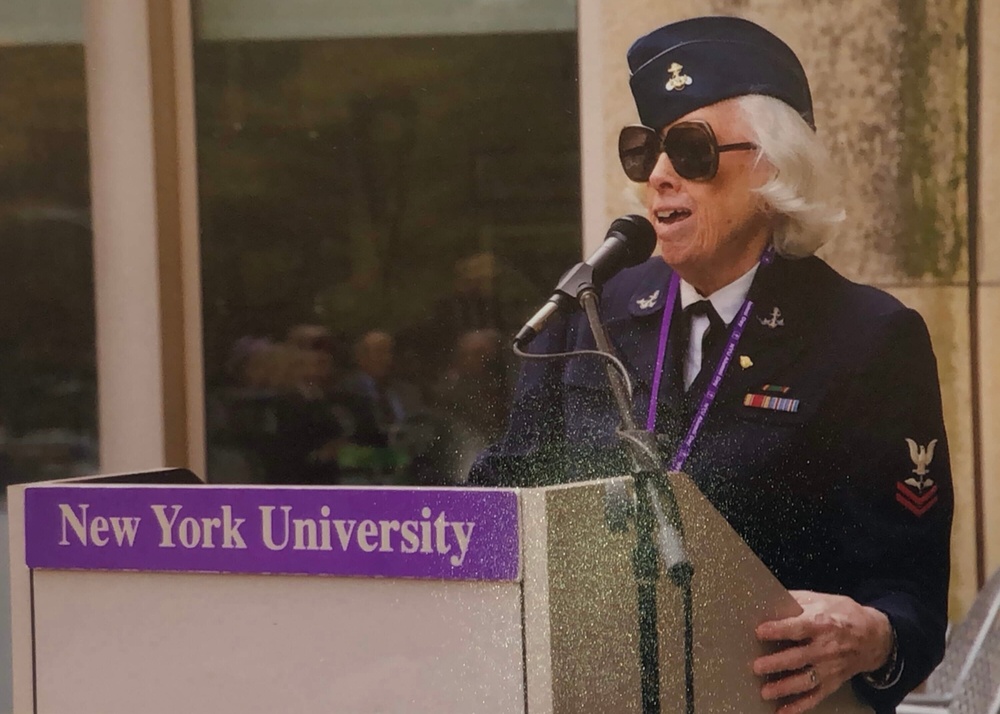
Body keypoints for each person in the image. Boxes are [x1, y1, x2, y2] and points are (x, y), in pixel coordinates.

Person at [469, 15, 952, 714]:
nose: (659, 177)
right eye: (644, 153)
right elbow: (501, 498)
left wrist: (874, 637)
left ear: (771, 168)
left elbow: (909, 593)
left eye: (690, 151)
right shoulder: (589, 310)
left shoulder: (868, 337)